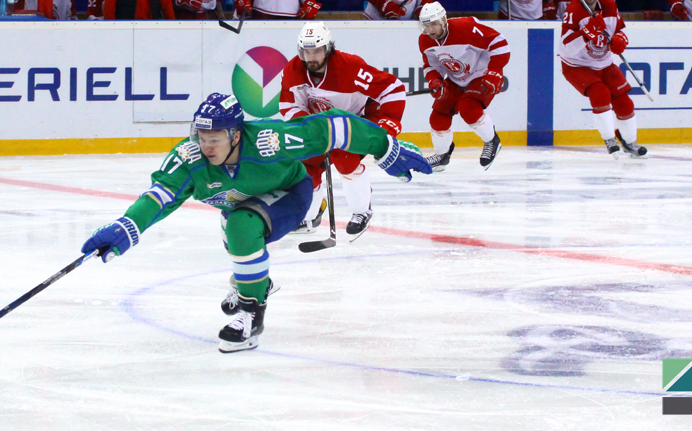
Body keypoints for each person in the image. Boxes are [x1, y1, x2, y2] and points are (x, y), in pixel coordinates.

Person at [80, 93, 431, 353]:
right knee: (237, 232)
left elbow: (335, 126)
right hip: (241, 203)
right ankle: (254, 281)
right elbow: (161, 195)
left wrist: (386, 148)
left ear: (235, 134)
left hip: (289, 192)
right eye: (201, 138)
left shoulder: (269, 140)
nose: (206, 147)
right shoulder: (189, 157)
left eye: (214, 138)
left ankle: (251, 313)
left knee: (241, 227)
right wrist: (127, 226)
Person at [279, 22, 407, 238]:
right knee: (306, 165)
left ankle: (361, 210)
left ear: (328, 48)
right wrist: (313, 129)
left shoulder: (350, 66)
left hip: (353, 125)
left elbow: (393, 88)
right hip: (320, 128)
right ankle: (309, 215)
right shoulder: (293, 70)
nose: (311, 57)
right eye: (306, 51)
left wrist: (389, 121)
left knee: (345, 158)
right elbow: (289, 107)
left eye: (317, 50)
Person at [560, 0, 646, 159]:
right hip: (577, 65)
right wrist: (586, 31)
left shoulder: (609, 5)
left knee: (624, 102)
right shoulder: (573, 10)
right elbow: (565, 48)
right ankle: (609, 139)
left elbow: (620, 29)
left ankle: (630, 142)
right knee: (600, 93)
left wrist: (619, 40)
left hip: (604, 64)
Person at [417, 2, 509, 171]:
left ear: (444, 19)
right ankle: (442, 155)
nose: (430, 30)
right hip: (455, 79)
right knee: (438, 115)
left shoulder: (465, 27)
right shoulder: (425, 40)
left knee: (468, 109)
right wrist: (435, 80)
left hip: (480, 74)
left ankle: (492, 141)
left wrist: (495, 70)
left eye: (433, 24)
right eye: (426, 25)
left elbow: (499, 43)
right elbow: (430, 66)